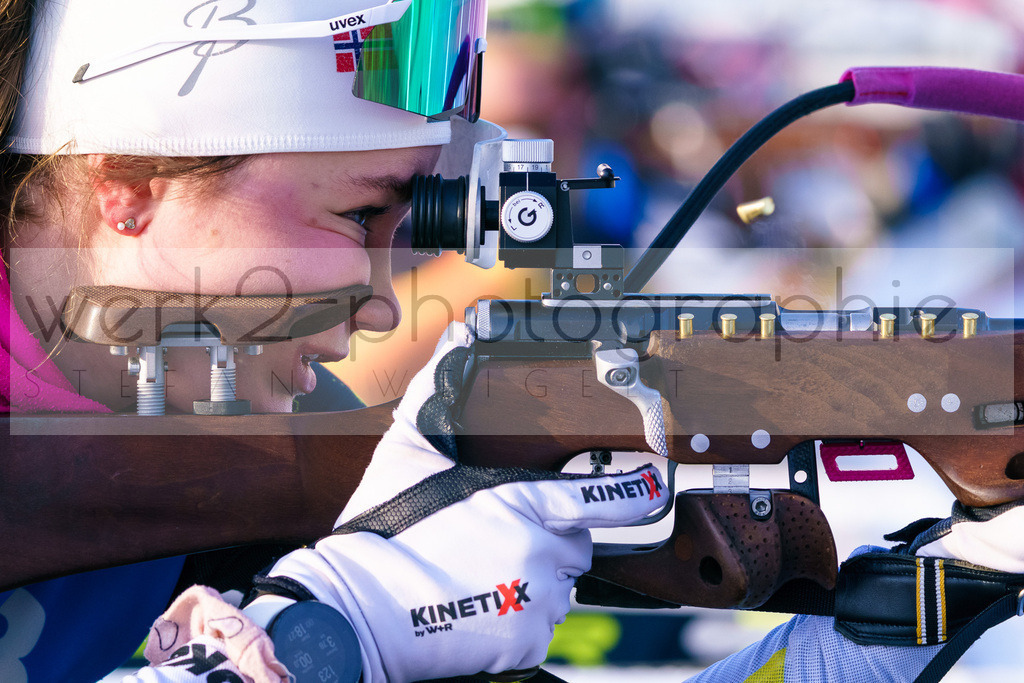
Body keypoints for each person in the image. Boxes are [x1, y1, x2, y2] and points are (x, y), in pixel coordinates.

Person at [2, 2, 1021, 682]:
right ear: (125, 188)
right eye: (357, 216)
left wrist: (832, 663)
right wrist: (325, 635)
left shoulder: (168, 460)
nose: (378, 304)